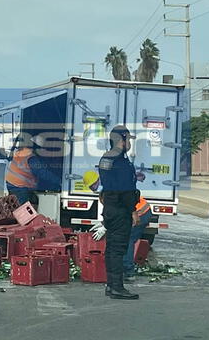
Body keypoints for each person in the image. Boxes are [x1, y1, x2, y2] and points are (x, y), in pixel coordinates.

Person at [94, 125, 142, 300]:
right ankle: (117, 287)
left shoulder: (106, 158)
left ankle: (111, 285)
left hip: (110, 208)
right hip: (120, 210)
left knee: (111, 248)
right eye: (128, 139)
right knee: (118, 249)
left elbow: (108, 184)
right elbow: (126, 191)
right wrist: (133, 211)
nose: (129, 143)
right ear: (122, 140)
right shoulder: (120, 161)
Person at [4, 134, 61, 205]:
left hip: (11, 183)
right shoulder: (31, 158)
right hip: (20, 187)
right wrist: (58, 181)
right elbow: (42, 173)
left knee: (16, 205)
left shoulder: (23, 151)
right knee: (22, 210)